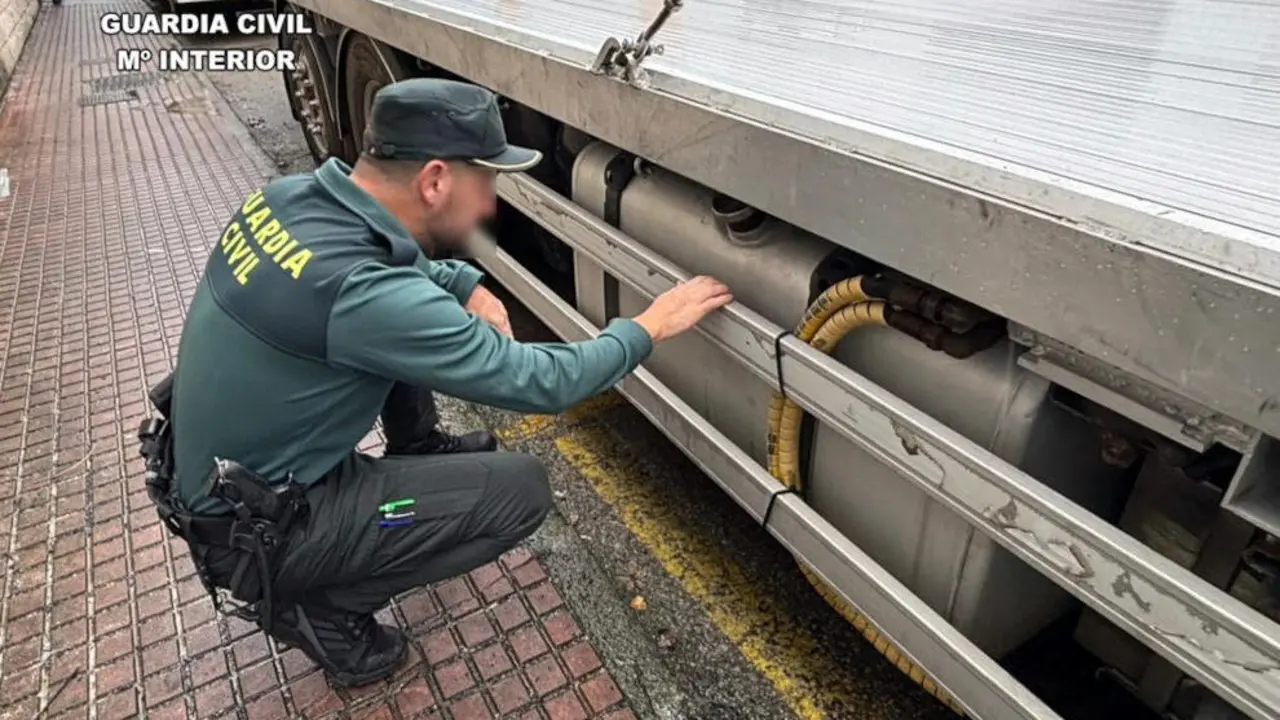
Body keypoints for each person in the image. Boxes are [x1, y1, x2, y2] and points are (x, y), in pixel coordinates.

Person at [146, 77, 733, 688]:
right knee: (519, 492)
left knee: (403, 329)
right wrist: (648, 326)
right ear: (434, 181)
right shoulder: (369, 297)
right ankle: (321, 610)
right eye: (486, 184)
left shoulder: (289, 198)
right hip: (259, 534)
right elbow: (546, 382)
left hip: (215, 484)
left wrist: (461, 283)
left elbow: (388, 266)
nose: (488, 208)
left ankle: (417, 447)